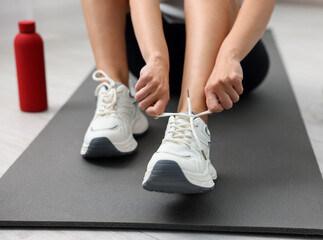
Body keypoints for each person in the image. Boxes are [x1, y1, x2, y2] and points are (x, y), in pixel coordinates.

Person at [80, 0, 275, 194]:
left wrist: (229, 56)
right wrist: (156, 58)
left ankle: (192, 121)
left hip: (229, 57)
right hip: (151, 44)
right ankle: (115, 92)